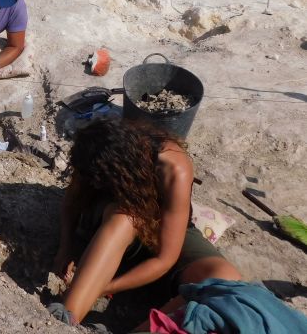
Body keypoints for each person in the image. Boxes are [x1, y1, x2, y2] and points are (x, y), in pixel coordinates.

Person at [50, 118, 241, 328]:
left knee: (224, 278)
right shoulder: (97, 149)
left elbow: (165, 259)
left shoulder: (173, 167)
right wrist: (65, 246)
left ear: (124, 172)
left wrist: (106, 287)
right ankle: (64, 320)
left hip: (159, 228)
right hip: (113, 223)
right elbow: (73, 199)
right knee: (126, 218)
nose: (95, 183)